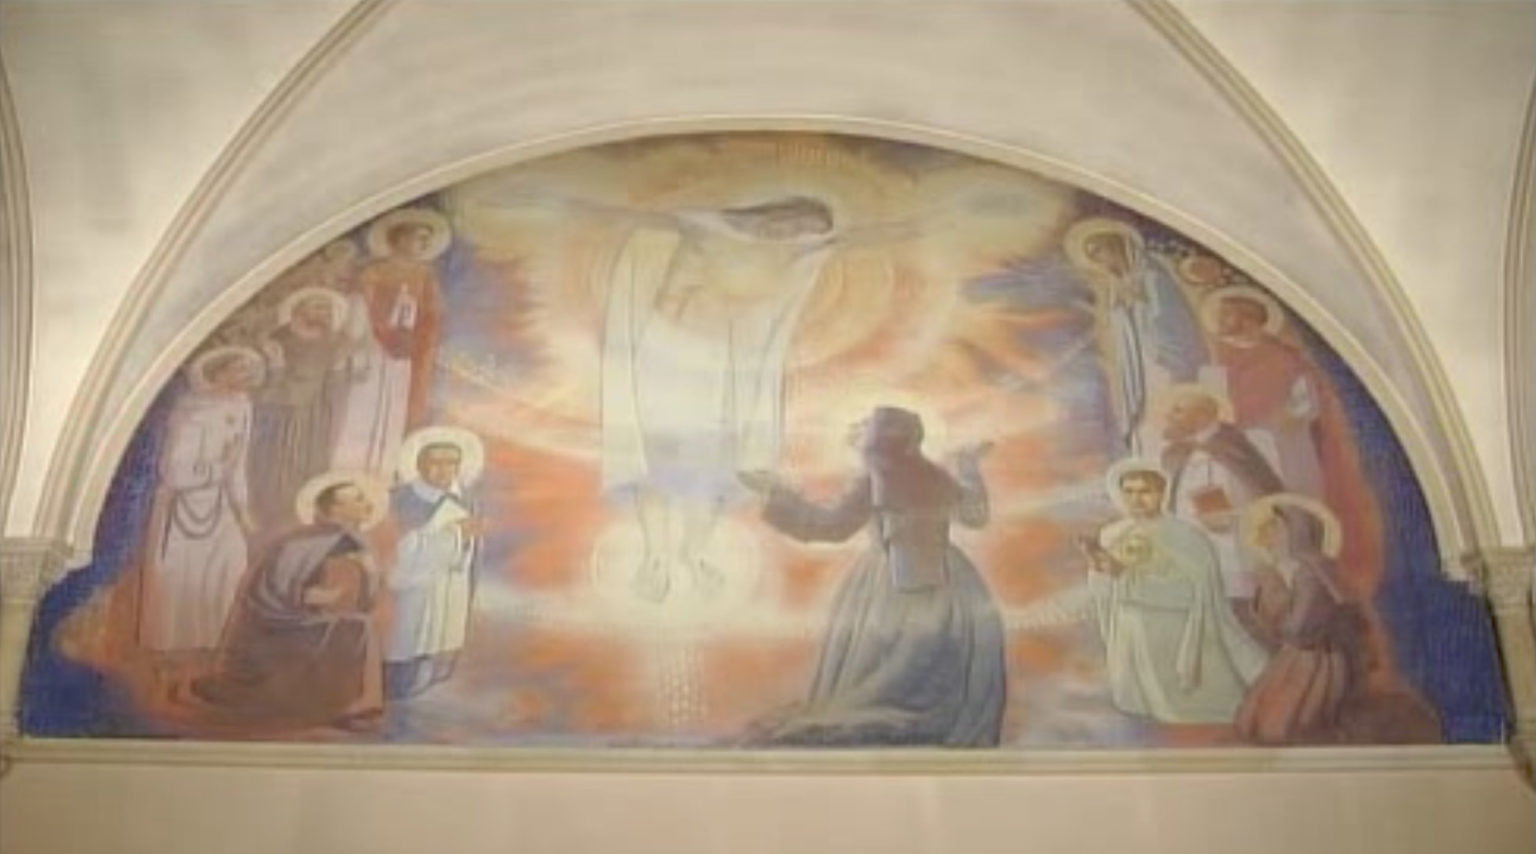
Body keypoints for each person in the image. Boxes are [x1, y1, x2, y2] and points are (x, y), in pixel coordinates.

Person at [737, 406, 1007, 747]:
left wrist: (776, 495)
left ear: (878, 441)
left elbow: (830, 527)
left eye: (864, 430)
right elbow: (975, 515)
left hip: (889, 584)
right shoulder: (934, 475)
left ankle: (896, 720)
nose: (857, 436)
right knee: (924, 669)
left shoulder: (875, 479)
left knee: (885, 672)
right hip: (950, 583)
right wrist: (968, 467)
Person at [189, 474, 387, 732]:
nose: (367, 503)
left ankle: (346, 703)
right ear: (335, 508)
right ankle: (347, 707)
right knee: (358, 627)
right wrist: (309, 598)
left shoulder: (357, 543)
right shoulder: (299, 542)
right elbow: (269, 593)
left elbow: (367, 603)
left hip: (311, 620)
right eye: (357, 499)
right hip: (276, 627)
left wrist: (370, 572)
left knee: (358, 625)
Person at [1081, 461, 1269, 724]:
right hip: (1129, 626)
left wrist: (1128, 579)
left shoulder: (1185, 536)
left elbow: (1196, 593)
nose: (1137, 499)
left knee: (1180, 705)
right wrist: (1100, 571)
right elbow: (1103, 588)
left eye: (1145, 491)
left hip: (1172, 627)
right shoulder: (1112, 533)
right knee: (1137, 699)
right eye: (1129, 491)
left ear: (1162, 493)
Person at [137, 346, 262, 685]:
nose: (247, 377)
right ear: (219, 371)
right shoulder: (190, 410)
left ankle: (214, 656)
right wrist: (217, 469)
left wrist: (243, 510)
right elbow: (174, 470)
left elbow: (238, 466)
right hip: (184, 508)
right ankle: (171, 664)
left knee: (230, 567)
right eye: (239, 369)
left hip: (221, 506)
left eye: (249, 371)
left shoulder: (243, 406)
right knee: (179, 578)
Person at [1063, 218, 1207, 456]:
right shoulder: (1114, 285)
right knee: (1139, 412)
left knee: (1162, 407)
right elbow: (1119, 325)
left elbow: (1171, 318)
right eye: (1093, 255)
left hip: (1161, 356)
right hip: (1132, 361)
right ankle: (1143, 455)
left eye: (1101, 250)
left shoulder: (1152, 275)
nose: (1099, 259)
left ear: (1117, 246)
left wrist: (1138, 306)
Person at [1233, 494, 1365, 744]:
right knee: (1253, 719)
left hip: (1318, 662)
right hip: (1296, 656)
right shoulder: (1289, 570)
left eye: (1274, 529)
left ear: (1296, 532)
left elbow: (1300, 629)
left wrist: (1274, 595)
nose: (1265, 538)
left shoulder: (1310, 573)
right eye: (1265, 530)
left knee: (1279, 728)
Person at [332, 208, 450, 476]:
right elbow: (359, 308)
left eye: (426, 240)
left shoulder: (425, 275)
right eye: (419, 238)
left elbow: (433, 315)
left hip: (405, 354)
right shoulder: (373, 272)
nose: (423, 244)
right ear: (400, 238)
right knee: (364, 404)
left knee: (395, 408)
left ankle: (383, 471)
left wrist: (416, 336)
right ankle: (351, 469)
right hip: (372, 349)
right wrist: (380, 331)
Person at [1156, 384, 1285, 616]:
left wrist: (1233, 516)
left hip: (1236, 547)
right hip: (1195, 549)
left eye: (1178, 410)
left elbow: (1265, 493)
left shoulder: (1234, 446)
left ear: (1202, 415)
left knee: (1239, 609)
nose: (1169, 417)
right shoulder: (1178, 453)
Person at [383, 427, 486, 699]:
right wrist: (454, 536)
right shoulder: (400, 498)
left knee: (441, 637)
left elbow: (473, 550)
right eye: (436, 462)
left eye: (451, 462)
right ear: (420, 464)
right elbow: (397, 549)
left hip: (451, 583)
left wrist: (465, 543)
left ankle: (433, 673)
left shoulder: (467, 499)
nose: (444, 469)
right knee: (408, 637)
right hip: (412, 587)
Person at [249, 287, 354, 527]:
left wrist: (338, 369)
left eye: (327, 309)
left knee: (310, 465)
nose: (323, 314)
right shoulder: (277, 341)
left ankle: (302, 515)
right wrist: (277, 368)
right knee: (275, 469)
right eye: (317, 307)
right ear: (297, 310)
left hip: (315, 419)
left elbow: (338, 388)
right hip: (280, 418)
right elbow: (261, 388)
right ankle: (272, 515)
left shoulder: (335, 343)